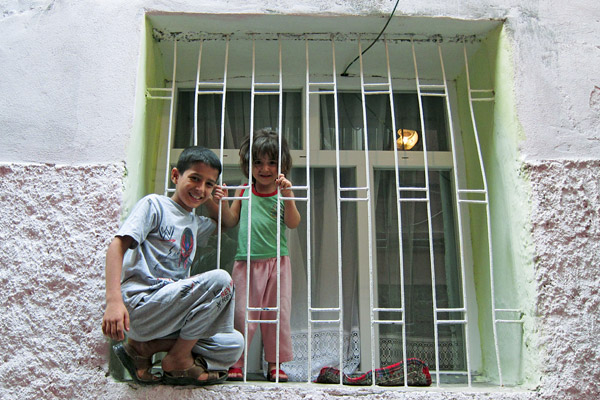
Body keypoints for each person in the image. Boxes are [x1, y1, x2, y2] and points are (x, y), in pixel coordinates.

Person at [101, 146, 243, 386]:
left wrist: (210, 199)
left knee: (233, 344)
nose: (200, 189)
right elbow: (117, 246)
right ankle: (177, 358)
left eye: (209, 184)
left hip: (169, 315)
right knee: (221, 279)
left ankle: (143, 349)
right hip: (142, 305)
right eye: (195, 179)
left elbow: (225, 224)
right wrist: (114, 301)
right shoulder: (155, 205)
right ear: (176, 176)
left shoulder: (195, 223)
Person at [221, 128, 301, 382]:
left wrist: (288, 196)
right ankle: (235, 361)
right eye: (258, 162)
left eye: (271, 162)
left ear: (282, 164)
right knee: (242, 314)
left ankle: (275, 364)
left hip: (278, 262)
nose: (265, 168)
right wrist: (219, 202)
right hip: (246, 262)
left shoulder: (282, 191)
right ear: (248, 165)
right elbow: (231, 220)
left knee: (277, 314)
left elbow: (293, 222)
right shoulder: (244, 190)